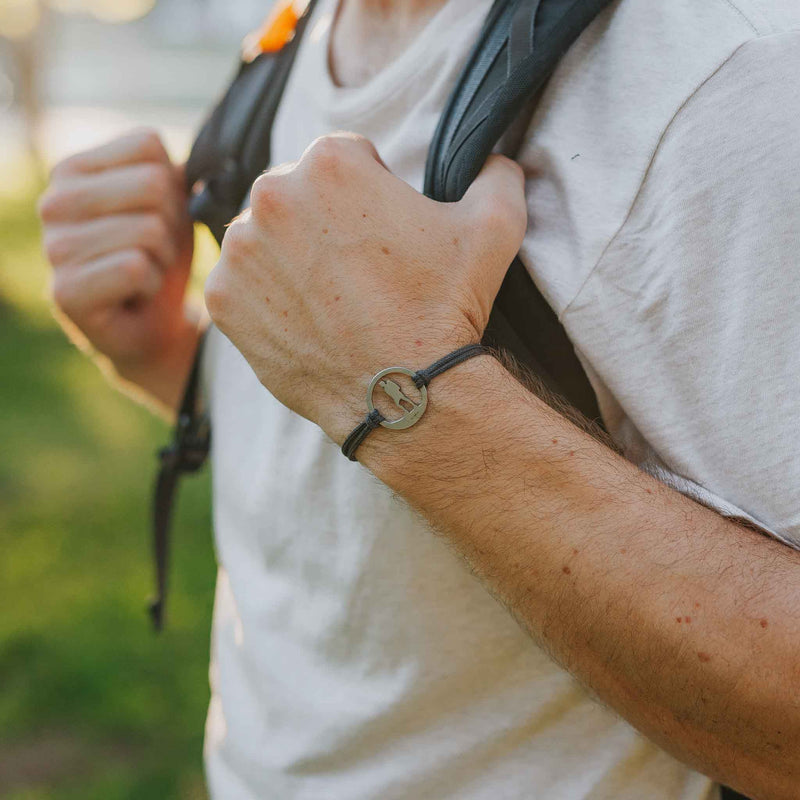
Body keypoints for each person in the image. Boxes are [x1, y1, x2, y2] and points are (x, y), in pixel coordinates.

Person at [38, 0, 800, 797]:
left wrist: (419, 398)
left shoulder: (724, 74)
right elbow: (338, 466)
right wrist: (163, 356)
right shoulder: (306, 28)